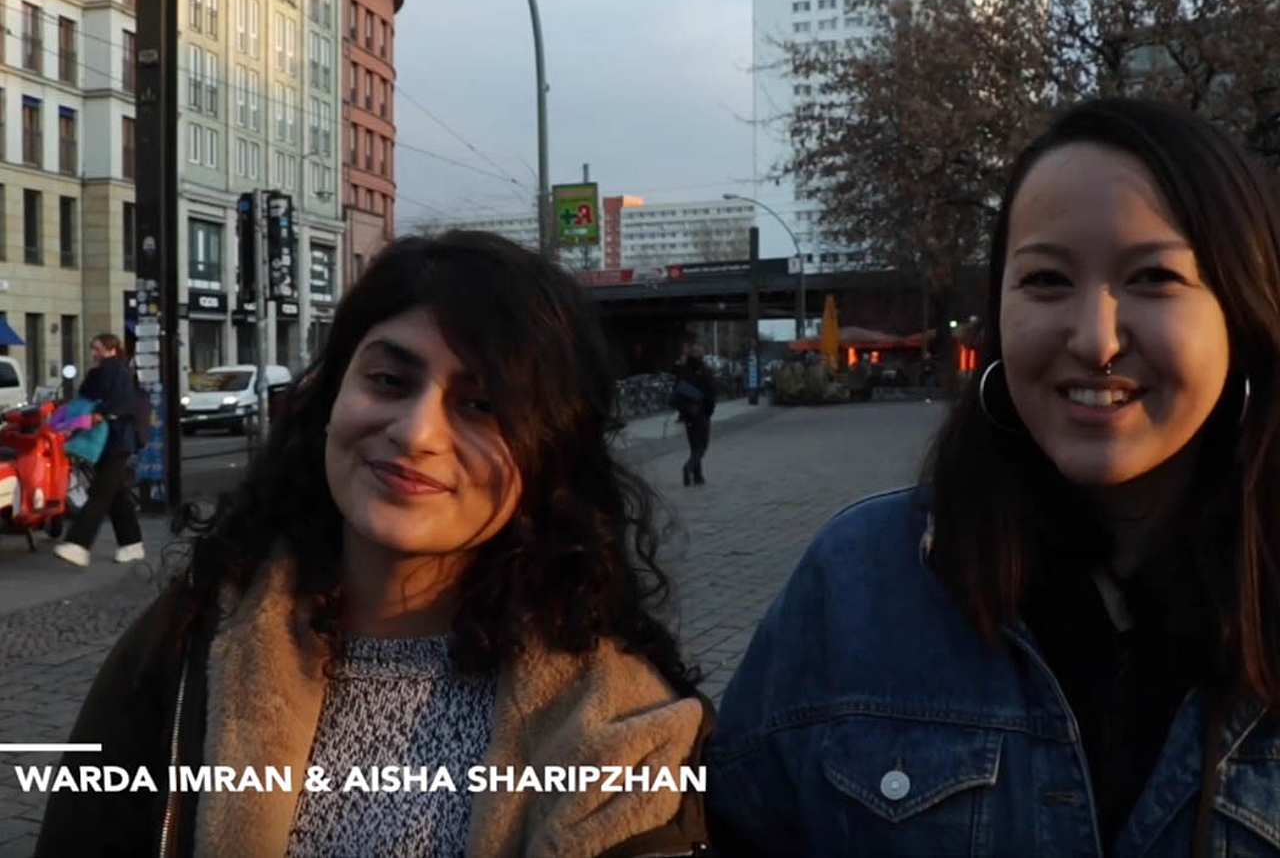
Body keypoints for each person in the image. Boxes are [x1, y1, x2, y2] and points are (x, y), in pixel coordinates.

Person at [705, 99, 1280, 857]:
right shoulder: (857, 582)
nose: (1096, 339)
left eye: (1152, 276)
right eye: (1046, 279)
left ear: (1241, 310)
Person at [36, 232, 713, 857]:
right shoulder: (185, 651)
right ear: (330, 396)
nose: (417, 431)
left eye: (481, 405)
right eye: (390, 380)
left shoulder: (625, 728)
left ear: (551, 453)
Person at [53, 333, 144, 567]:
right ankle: (132, 543)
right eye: (93, 348)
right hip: (118, 440)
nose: (93, 352)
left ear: (110, 348)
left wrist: (61, 420)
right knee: (114, 492)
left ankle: (79, 543)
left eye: (97, 348)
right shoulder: (121, 371)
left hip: (109, 440)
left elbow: (88, 402)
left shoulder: (108, 371)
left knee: (101, 493)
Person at [671, 345, 716, 486]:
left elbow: (676, 389)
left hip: (687, 414)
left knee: (694, 445)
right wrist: (709, 411)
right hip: (701, 413)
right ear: (701, 356)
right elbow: (711, 393)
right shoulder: (705, 371)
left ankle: (698, 476)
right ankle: (689, 467)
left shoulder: (684, 370)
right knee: (702, 446)